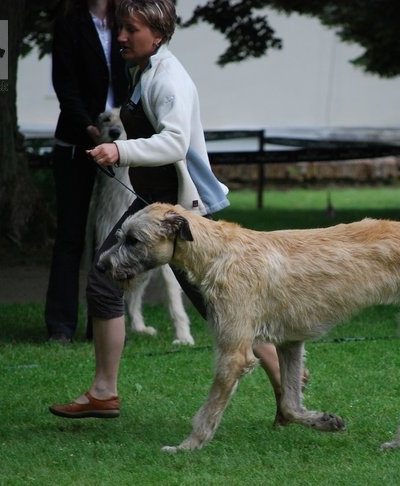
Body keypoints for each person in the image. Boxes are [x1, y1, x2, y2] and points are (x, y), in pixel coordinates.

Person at [49, 0, 294, 419]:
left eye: (130, 30)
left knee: (219, 301)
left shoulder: (168, 79)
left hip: (182, 212)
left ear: (158, 34)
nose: (121, 37)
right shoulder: (143, 70)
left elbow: (176, 142)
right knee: (112, 282)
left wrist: (118, 149)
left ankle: (289, 386)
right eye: (121, 28)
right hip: (156, 206)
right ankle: (104, 392)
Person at [45, 0, 129, 344]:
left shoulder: (128, 21)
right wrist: (88, 127)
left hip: (122, 143)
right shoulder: (69, 23)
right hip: (78, 141)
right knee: (70, 236)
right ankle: (61, 326)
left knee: (113, 235)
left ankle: (103, 324)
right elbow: (65, 86)